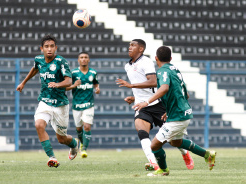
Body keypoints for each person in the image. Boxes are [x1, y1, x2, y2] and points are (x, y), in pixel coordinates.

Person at [132, 46, 217, 176]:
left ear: (156, 58)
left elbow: (164, 88)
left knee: (154, 145)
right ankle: (207, 155)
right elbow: (186, 94)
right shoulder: (175, 70)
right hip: (183, 112)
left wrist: (146, 102)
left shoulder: (162, 72)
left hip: (178, 116)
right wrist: (170, 109)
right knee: (175, 142)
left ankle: (163, 170)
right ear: (171, 58)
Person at [116, 39, 194, 171]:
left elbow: (153, 82)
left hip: (157, 104)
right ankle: (153, 163)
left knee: (173, 140)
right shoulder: (127, 66)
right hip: (142, 106)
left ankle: (185, 153)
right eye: (129, 45)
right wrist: (135, 97)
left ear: (141, 49)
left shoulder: (146, 62)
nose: (129, 47)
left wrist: (131, 86)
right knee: (142, 132)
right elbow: (143, 87)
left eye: (133, 45)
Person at [16, 35, 79, 168]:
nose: (49, 49)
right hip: (44, 101)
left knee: (61, 139)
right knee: (39, 125)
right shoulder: (38, 60)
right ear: (41, 49)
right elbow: (35, 69)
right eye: (46, 46)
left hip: (60, 104)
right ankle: (52, 158)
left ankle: (74, 144)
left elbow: (69, 81)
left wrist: (57, 84)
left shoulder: (61, 62)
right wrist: (23, 82)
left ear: (56, 48)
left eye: (52, 46)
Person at [66, 52, 100, 158]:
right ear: (78, 60)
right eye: (81, 57)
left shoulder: (93, 72)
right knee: (79, 129)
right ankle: (81, 144)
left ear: (89, 60)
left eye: (86, 57)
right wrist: (74, 85)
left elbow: (95, 82)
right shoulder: (73, 73)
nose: (84, 59)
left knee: (87, 126)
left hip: (89, 104)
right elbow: (65, 87)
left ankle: (84, 149)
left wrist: (97, 88)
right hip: (76, 105)